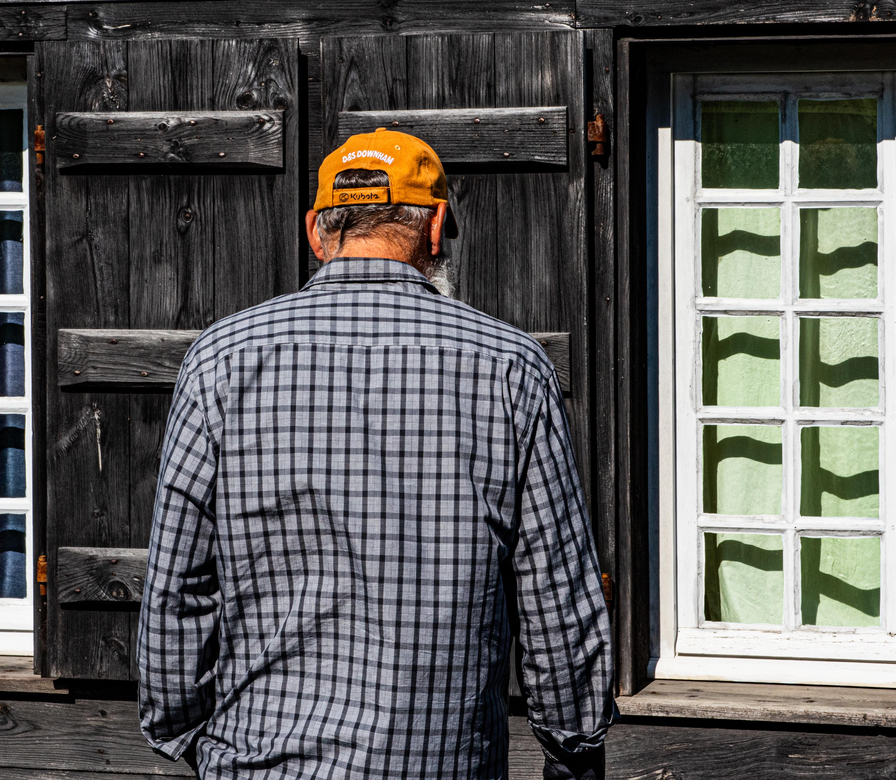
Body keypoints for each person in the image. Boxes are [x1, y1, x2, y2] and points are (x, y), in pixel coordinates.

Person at [136, 128, 616, 779]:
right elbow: (555, 592)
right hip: (443, 765)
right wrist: (574, 745)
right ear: (436, 225)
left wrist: (185, 732)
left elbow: (177, 587)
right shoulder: (511, 367)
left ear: (316, 231)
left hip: (259, 762)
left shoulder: (220, 360)